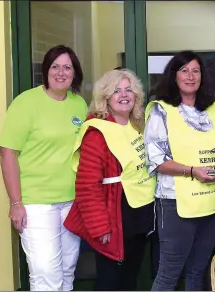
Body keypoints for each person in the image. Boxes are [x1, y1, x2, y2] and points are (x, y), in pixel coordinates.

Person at [0, 44, 87, 291]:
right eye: (55, 67)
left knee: (67, 271)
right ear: (46, 71)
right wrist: (16, 203)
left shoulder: (79, 103)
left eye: (67, 67)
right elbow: (7, 153)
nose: (61, 73)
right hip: (36, 203)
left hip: (72, 202)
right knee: (46, 274)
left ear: (74, 72)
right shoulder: (26, 102)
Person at [63, 69, 156, 290]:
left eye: (129, 90)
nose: (124, 95)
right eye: (116, 91)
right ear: (105, 98)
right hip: (113, 219)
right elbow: (87, 186)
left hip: (138, 216)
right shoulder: (96, 132)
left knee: (130, 277)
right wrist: (99, 227)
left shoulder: (138, 126)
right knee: (111, 281)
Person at [144, 50, 215, 291]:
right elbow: (156, 160)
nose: (190, 76)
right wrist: (193, 171)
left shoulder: (214, 109)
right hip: (175, 203)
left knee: (198, 272)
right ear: (173, 76)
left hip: (212, 202)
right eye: (184, 70)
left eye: (196, 70)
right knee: (169, 273)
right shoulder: (161, 110)